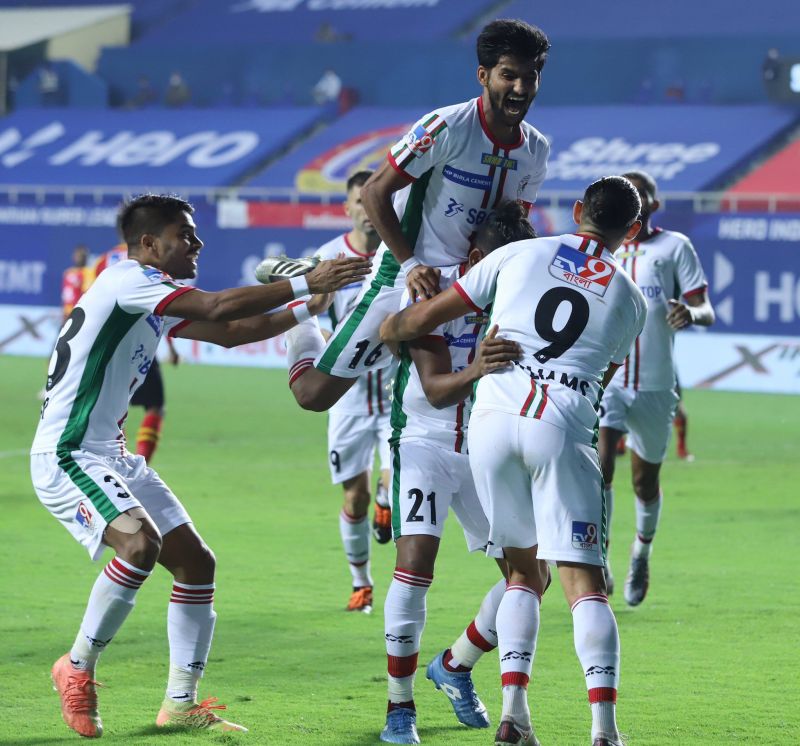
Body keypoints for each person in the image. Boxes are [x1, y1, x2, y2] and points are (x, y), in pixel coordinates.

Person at [31, 194, 369, 739]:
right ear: (148, 244)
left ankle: (181, 703)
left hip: (111, 454)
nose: (197, 243)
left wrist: (312, 303)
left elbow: (231, 332)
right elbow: (217, 309)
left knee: (196, 566)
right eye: (184, 234)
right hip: (68, 453)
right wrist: (309, 281)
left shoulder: (149, 293)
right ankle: (76, 666)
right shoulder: (127, 280)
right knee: (140, 546)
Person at [380, 176, 649, 746]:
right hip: (563, 426)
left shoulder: (519, 253)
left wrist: (399, 323)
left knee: (523, 573)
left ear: (576, 211)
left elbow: (415, 323)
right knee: (584, 584)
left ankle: (514, 716)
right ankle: (604, 730)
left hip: (493, 424)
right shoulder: (631, 298)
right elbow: (596, 372)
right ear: (632, 231)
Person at [273, 19, 550, 415]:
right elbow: (374, 191)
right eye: (509, 76)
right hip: (410, 277)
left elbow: (513, 226)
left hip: (471, 288)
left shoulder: (536, 150)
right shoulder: (445, 127)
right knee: (315, 395)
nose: (520, 89)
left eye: (531, 77)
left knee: (468, 397)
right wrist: (411, 263)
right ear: (483, 75)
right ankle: (303, 322)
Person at [379, 201, 543, 745]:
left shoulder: (520, 295)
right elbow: (432, 388)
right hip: (423, 442)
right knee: (415, 566)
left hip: (483, 446)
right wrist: (479, 367)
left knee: (531, 577)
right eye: (504, 261)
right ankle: (398, 709)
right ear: (477, 258)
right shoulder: (432, 294)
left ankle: (455, 663)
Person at [597, 171, 714, 606]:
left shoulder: (674, 247)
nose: (636, 201)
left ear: (654, 203)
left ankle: (641, 554)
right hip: (606, 379)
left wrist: (691, 313)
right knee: (600, 468)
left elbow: (705, 308)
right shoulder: (601, 250)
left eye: (642, 194)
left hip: (655, 384)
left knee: (645, 482)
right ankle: (599, 560)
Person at [314, 171, 396, 613]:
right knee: (353, 497)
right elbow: (310, 314)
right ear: (347, 209)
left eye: (373, 201)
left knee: (393, 480)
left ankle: (389, 499)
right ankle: (361, 582)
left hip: (393, 393)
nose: (366, 210)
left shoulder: (401, 254)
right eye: (358, 203)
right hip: (347, 400)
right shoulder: (329, 258)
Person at [94, 243, 178, 464]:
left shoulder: (104, 261)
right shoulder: (152, 260)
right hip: (139, 346)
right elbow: (163, 308)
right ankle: (141, 463)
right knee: (156, 407)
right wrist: (172, 349)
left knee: (111, 412)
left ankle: (113, 461)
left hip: (106, 349)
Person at [61, 245, 93, 322]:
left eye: (81, 255)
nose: (78, 257)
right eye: (77, 255)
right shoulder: (67, 273)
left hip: (78, 315)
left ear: (86, 257)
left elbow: (87, 295)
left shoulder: (88, 273)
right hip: (66, 314)